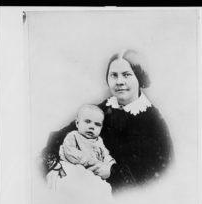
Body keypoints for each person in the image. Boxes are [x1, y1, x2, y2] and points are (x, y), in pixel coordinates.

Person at [42, 49, 173, 194]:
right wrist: (53, 167)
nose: (119, 82)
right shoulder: (103, 109)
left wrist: (112, 172)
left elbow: (155, 175)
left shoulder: (153, 121)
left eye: (126, 75)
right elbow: (58, 138)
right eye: (113, 75)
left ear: (139, 77)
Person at [59, 104, 115, 180]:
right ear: (77, 123)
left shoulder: (99, 141)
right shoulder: (73, 136)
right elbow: (69, 152)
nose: (92, 127)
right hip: (73, 167)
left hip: (92, 171)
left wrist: (110, 164)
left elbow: (105, 155)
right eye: (87, 121)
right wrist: (87, 160)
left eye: (97, 124)